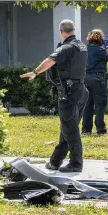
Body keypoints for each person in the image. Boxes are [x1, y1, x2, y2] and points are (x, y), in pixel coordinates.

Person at [20, 19, 88, 172]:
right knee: (68, 126)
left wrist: (35, 72)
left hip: (69, 92)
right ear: (73, 30)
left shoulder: (67, 47)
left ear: (61, 31)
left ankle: (76, 164)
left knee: (70, 129)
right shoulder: (81, 46)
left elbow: (50, 61)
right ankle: (55, 161)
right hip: (80, 89)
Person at [82, 29, 108, 135]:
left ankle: (86, 129)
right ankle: (100, 129)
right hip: (98, 79)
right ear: (101, 39)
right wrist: (107, 47)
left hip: (85, 79)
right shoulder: (101, 50)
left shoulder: (84, 49)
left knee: (87, 105)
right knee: (100, 104)